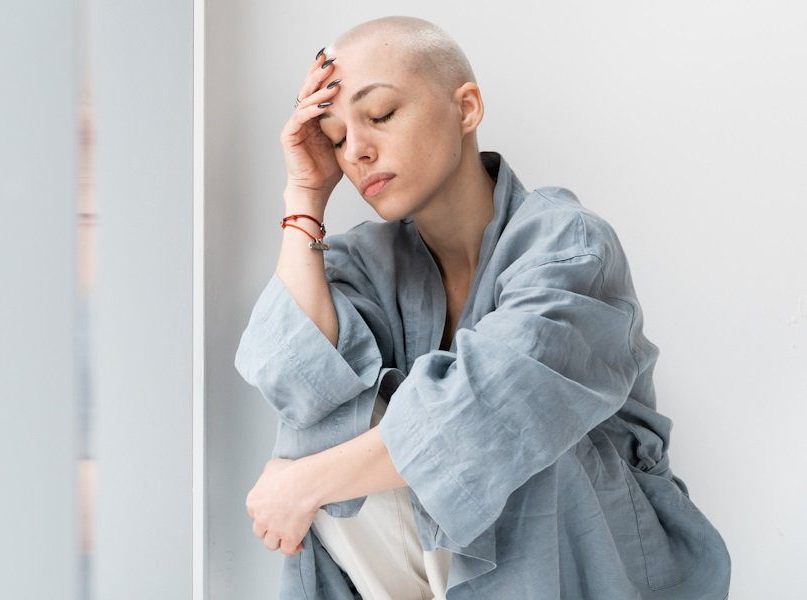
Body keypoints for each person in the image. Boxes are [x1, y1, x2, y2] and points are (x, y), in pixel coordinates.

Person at [234, 15, 732, 600]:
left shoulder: (570, 245)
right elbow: (295, 382)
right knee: (325, 404)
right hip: (432, 575)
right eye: (338, 139)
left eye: (381, 114)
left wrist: (303, 484)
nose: (358, 151)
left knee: (514, 438)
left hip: (592, 567)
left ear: (466, 108)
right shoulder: (369, 261)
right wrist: (305, 194)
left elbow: (493, 411)